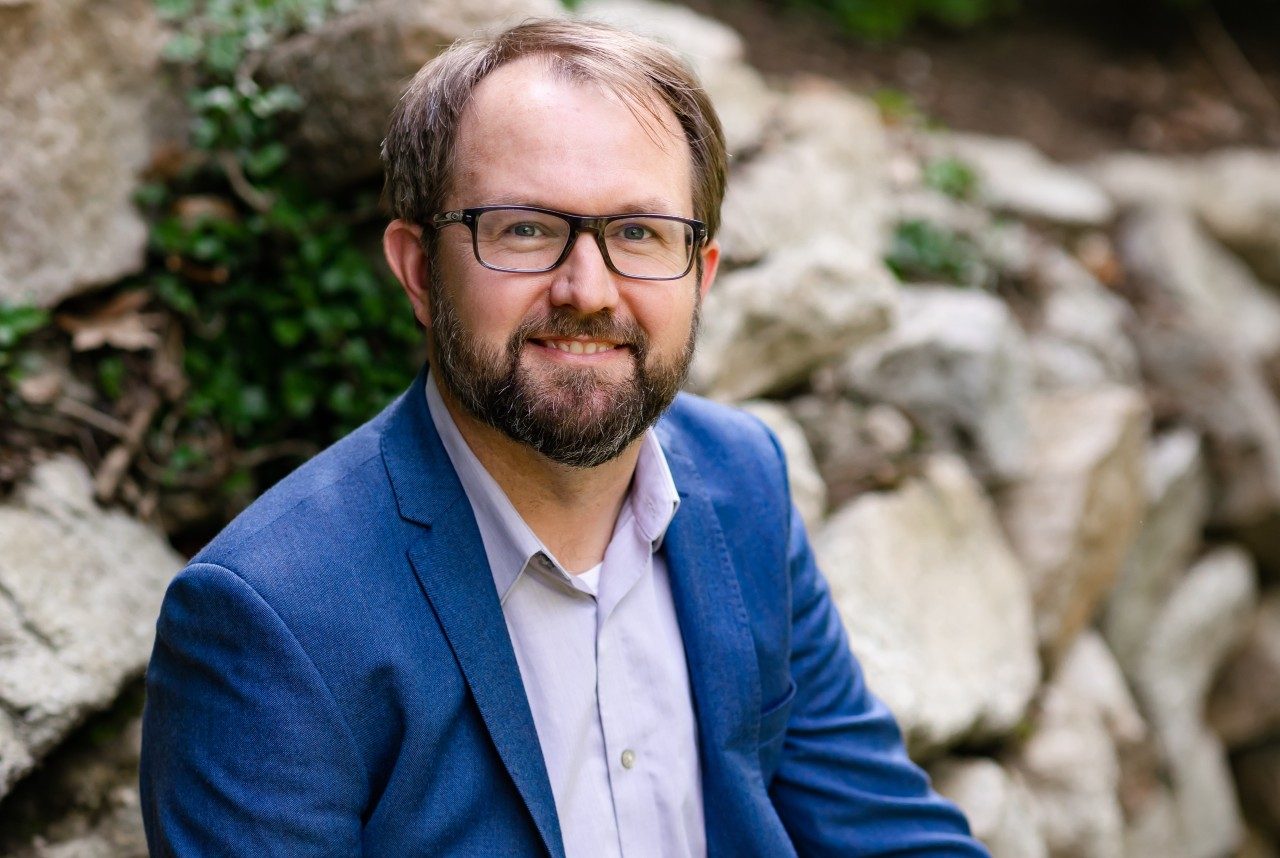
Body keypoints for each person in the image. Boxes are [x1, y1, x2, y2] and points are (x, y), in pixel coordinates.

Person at [140, 18, 989, 858]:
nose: (588, 289)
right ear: (417, 271)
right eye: (524, 228)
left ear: (703, 276)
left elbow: (884, 832)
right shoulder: (271, 617)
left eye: (639, 234)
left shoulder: (743, 481)